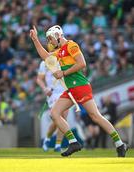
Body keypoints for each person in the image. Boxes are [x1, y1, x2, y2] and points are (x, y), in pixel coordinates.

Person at [30, 25, 128, 157]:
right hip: (71, 89)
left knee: (95, 116)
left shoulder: (71, 45)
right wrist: (35, 40)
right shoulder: (59, 51)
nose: (50, 42)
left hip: (80, 86)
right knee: (54, 113)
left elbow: (82, 64)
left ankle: (120, 144)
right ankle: (73, 142)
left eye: (51, 39)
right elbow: (46, 57)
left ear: (58, 36)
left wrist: (63, 73)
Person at [37, 44, 67, 152]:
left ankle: (58, 145)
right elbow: (39, 79)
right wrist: (45, 89)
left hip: (64, 90)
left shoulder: (63, 60)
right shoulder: (44, 63)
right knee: (56, 119)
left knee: (64, 119)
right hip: (52, 94)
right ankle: (47, 139)